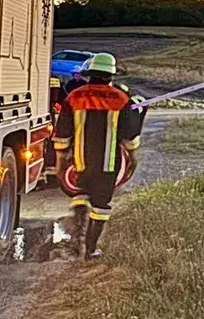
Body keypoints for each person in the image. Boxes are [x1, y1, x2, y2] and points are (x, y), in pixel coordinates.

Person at [54, 52, 143, 259]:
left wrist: (60, 161)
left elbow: (63, 132)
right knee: (101, 205)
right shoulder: (121, 99)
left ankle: (78, 239)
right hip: (108, 163)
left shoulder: (74, 97)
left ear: (90, 74)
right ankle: (91, 249)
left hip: (79, 161)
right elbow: (129, 135)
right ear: (110, 75)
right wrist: (133, 158)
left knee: (80, 195)